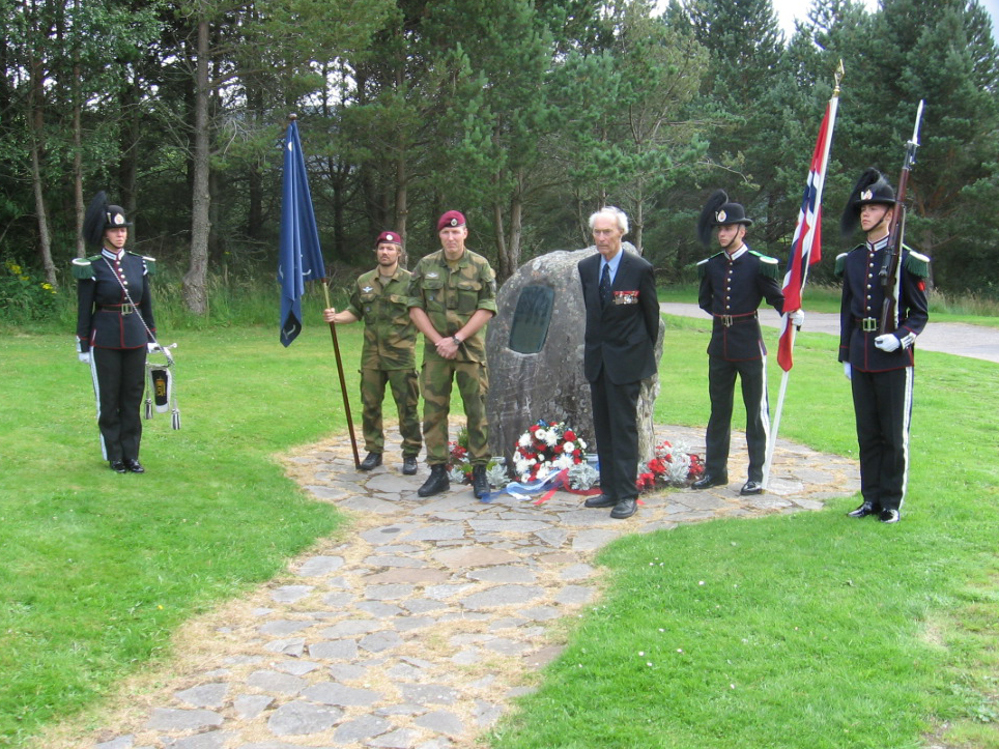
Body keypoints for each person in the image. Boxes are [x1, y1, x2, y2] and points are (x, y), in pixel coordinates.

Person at [692, 190, 801, 496]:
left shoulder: (758, 264)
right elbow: (705, 301)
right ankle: (715, 472)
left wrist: (792, 311)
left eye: (728, 228)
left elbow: (776, 297)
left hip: (750, 345)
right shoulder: (712, 265)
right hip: (720, 347)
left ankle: (757, 474)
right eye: (719, 229)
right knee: (719, 412)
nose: (722, 234)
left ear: (742, 230)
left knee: (755, 412)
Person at [837, 168, 929, 524]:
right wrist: (846, 354)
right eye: (863, 209)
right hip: (861, 354)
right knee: (868, 433)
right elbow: (847, 312)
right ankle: (870, 498)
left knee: (893, 435)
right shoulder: (854, 259)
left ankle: (891, 502)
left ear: (890, 214)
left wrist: (900, 337)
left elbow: (919, 316)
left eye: (874, 208)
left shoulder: (908, 259)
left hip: (893, 359)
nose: (865, 214)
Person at [578, 206, 660, 520]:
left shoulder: (639, 268)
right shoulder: (586, 268)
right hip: (598, 361)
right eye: (597, 232)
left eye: (607, 232)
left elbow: (650, 319)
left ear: (620, 233)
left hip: (626, 361)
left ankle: (627, 494)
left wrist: (638, 356)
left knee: (624, 428)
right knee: (603, 426)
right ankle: (609, 489)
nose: (601, 238)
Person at [407, 211, 497, 498]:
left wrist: (456, 339)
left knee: (476, 410)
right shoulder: (426, 266)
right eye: (446, 232)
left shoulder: (480, 266)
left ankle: (479, 471)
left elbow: (487, 308)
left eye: (456, 232)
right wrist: (438, 342)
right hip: (436, 352)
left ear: (465, 234)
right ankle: (437, 472)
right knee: (433, 410)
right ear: (440, 236)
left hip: (469, 350)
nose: (451, 237)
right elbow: (414, 307)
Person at [323, 231, 421, 475]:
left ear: (399, 253)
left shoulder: (411, 282)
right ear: (376, 252)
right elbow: (355, 311)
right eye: (381, 248)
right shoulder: (364, 281)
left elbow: (422, 315)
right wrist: (336, 317)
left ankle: (410, 454)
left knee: (407, 406)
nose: (385, 252)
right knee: (370, 405)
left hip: (401, 357)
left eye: (390, 248)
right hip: (371, 358)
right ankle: (374, 451)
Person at [73, 191, 157, 473]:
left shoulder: (138, 263)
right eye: (114, 230)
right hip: (105, 340)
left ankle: (132, 455)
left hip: (135, 338)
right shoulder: (93, 266)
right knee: (109, 399)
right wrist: (83, 344)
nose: (120, 235)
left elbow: (146, 305)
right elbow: (85, 308)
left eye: (123, 230)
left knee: (132, 398)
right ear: (105, 234)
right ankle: (114, 455)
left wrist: (152, 339)